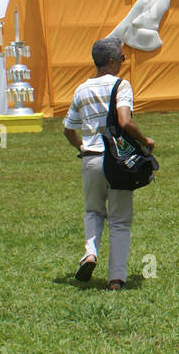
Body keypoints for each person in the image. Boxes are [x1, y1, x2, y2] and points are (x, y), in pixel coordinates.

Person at [62, 37, 154, 291]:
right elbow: (124, 121)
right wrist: (145, 139)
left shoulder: (81, 89)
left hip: (91, 157)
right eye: (123, 58)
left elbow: (68, 129)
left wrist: (81, 147)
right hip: (117, 161)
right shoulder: (121, 86)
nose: (124, 62)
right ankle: (116, 279)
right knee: (119, 221)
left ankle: (90, 253)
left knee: (93, 211)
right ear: (112, 61)